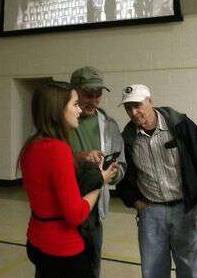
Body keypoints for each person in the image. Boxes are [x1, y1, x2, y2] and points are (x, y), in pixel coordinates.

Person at [117, 84, 197, 278]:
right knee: (153, 270)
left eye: (137, 105)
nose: (133, 112)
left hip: (186, 210)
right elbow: (122, 173)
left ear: (150, 101)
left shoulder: (180, 125)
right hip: (151, 212)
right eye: (128, 108)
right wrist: (134, 201)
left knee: (191, 269)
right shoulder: (127, 138)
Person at [18, 81, 118, 278]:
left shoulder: (31, 146)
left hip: (37, 241)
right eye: (74, 104)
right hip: (63, 249)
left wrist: (80, 158)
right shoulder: (58, 149)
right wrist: (100, 181)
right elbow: (76, 215)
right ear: (57, 111)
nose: (79, 110)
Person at [69, 67, 126, 278]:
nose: (93, 100)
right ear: (73, 91)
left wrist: (113, 173)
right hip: (63, 205)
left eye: (98, 95)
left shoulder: (109, 125)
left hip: (93, 210)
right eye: (87, 95)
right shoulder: (57, 122)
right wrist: (80, 157)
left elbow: (121, 164)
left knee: (91, 265)